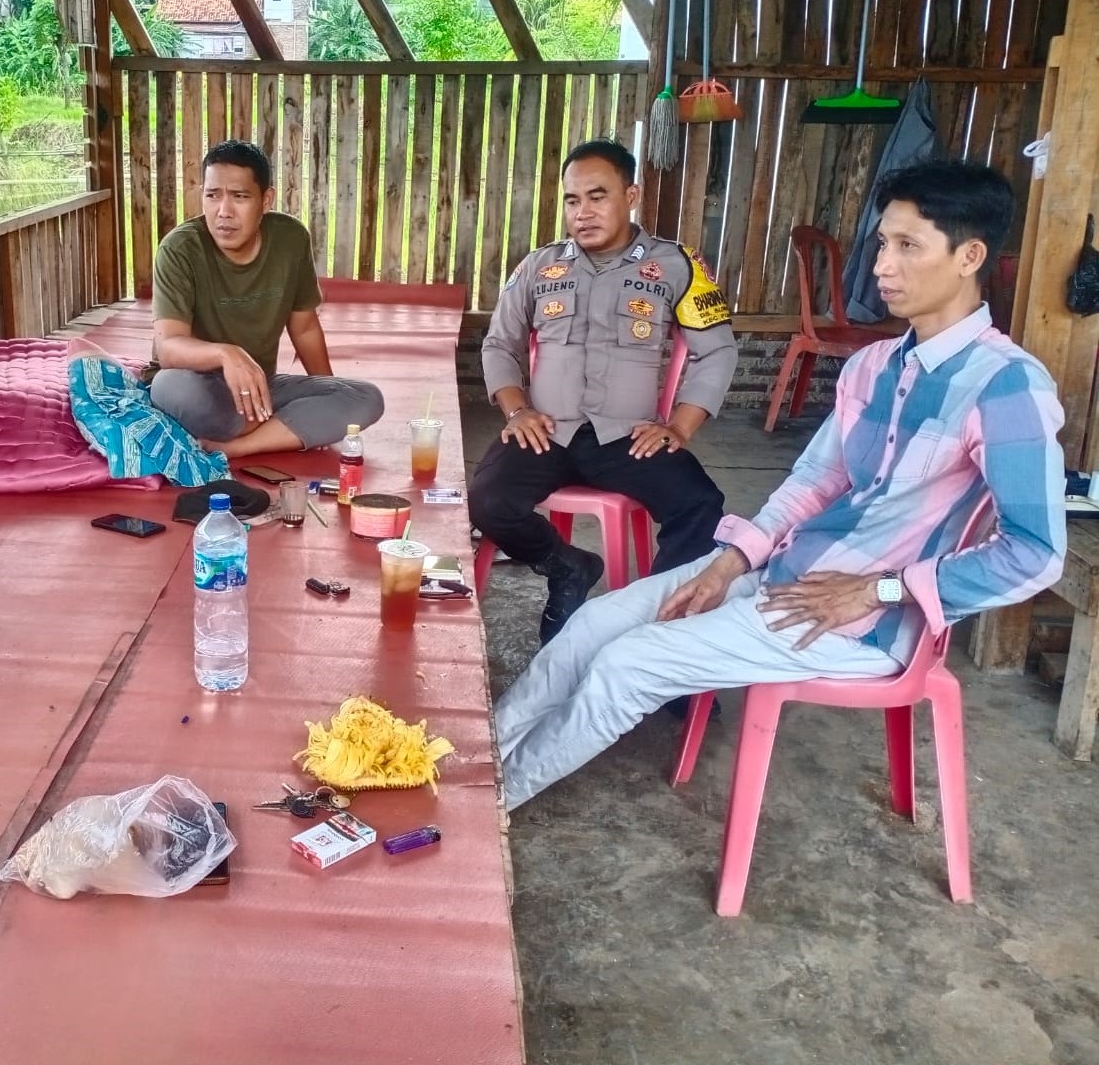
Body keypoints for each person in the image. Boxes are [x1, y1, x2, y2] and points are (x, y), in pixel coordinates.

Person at [495, 159, 1066, 812]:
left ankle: (494, 801)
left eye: (908, 246)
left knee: (628, 663)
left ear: (969, 256)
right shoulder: (874, 365)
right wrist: (729, 563)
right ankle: (465, 762)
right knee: (592, 624)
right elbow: (816, 479)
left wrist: (880, 589)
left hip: (865, 621)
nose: (881, 266)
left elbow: (1034, 553)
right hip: (786, 572)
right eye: (882, 243)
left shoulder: (1007, 385)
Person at [470, 138, 739, 644]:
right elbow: (499, 344)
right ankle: (566, 566)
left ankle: (657, 630)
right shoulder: (539, 266)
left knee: (700, 505)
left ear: (630, 195)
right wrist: (517, 410)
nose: (583, 212)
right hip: (546, 432)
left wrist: (679, 427)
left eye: (598, 196)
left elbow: (718, 351)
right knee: (487, 499)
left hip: (627, 438)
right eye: (572, 200)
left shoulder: (675, 265)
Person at [147, 139, 383, 459]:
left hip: (261, 389)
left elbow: (305, 328)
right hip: (197, 386)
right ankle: (281, 428)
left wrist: (328, 392)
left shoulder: (290, 239)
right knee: (169, 387)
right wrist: (226, 354)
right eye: (212, 195)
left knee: (366, 398)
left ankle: (236, 446)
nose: (223, 211)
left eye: (240, 197)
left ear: (266, 199)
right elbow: (169, 348)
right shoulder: (179, 249)